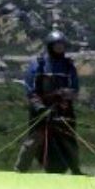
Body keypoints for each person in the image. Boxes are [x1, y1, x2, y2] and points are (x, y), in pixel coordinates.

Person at [14, 29, 82, 174]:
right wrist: (39, 107)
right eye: (57, 45)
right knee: (34, 139)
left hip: (63, 109)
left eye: (62, 45)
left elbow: (75, 90)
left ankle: (76, 170)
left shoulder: (69, 66)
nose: (60, 48)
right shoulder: (38, 64)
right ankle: (20, 170)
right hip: (40, 110)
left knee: (68, 140)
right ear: (50, 46)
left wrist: (64, 95)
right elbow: (29, 88)